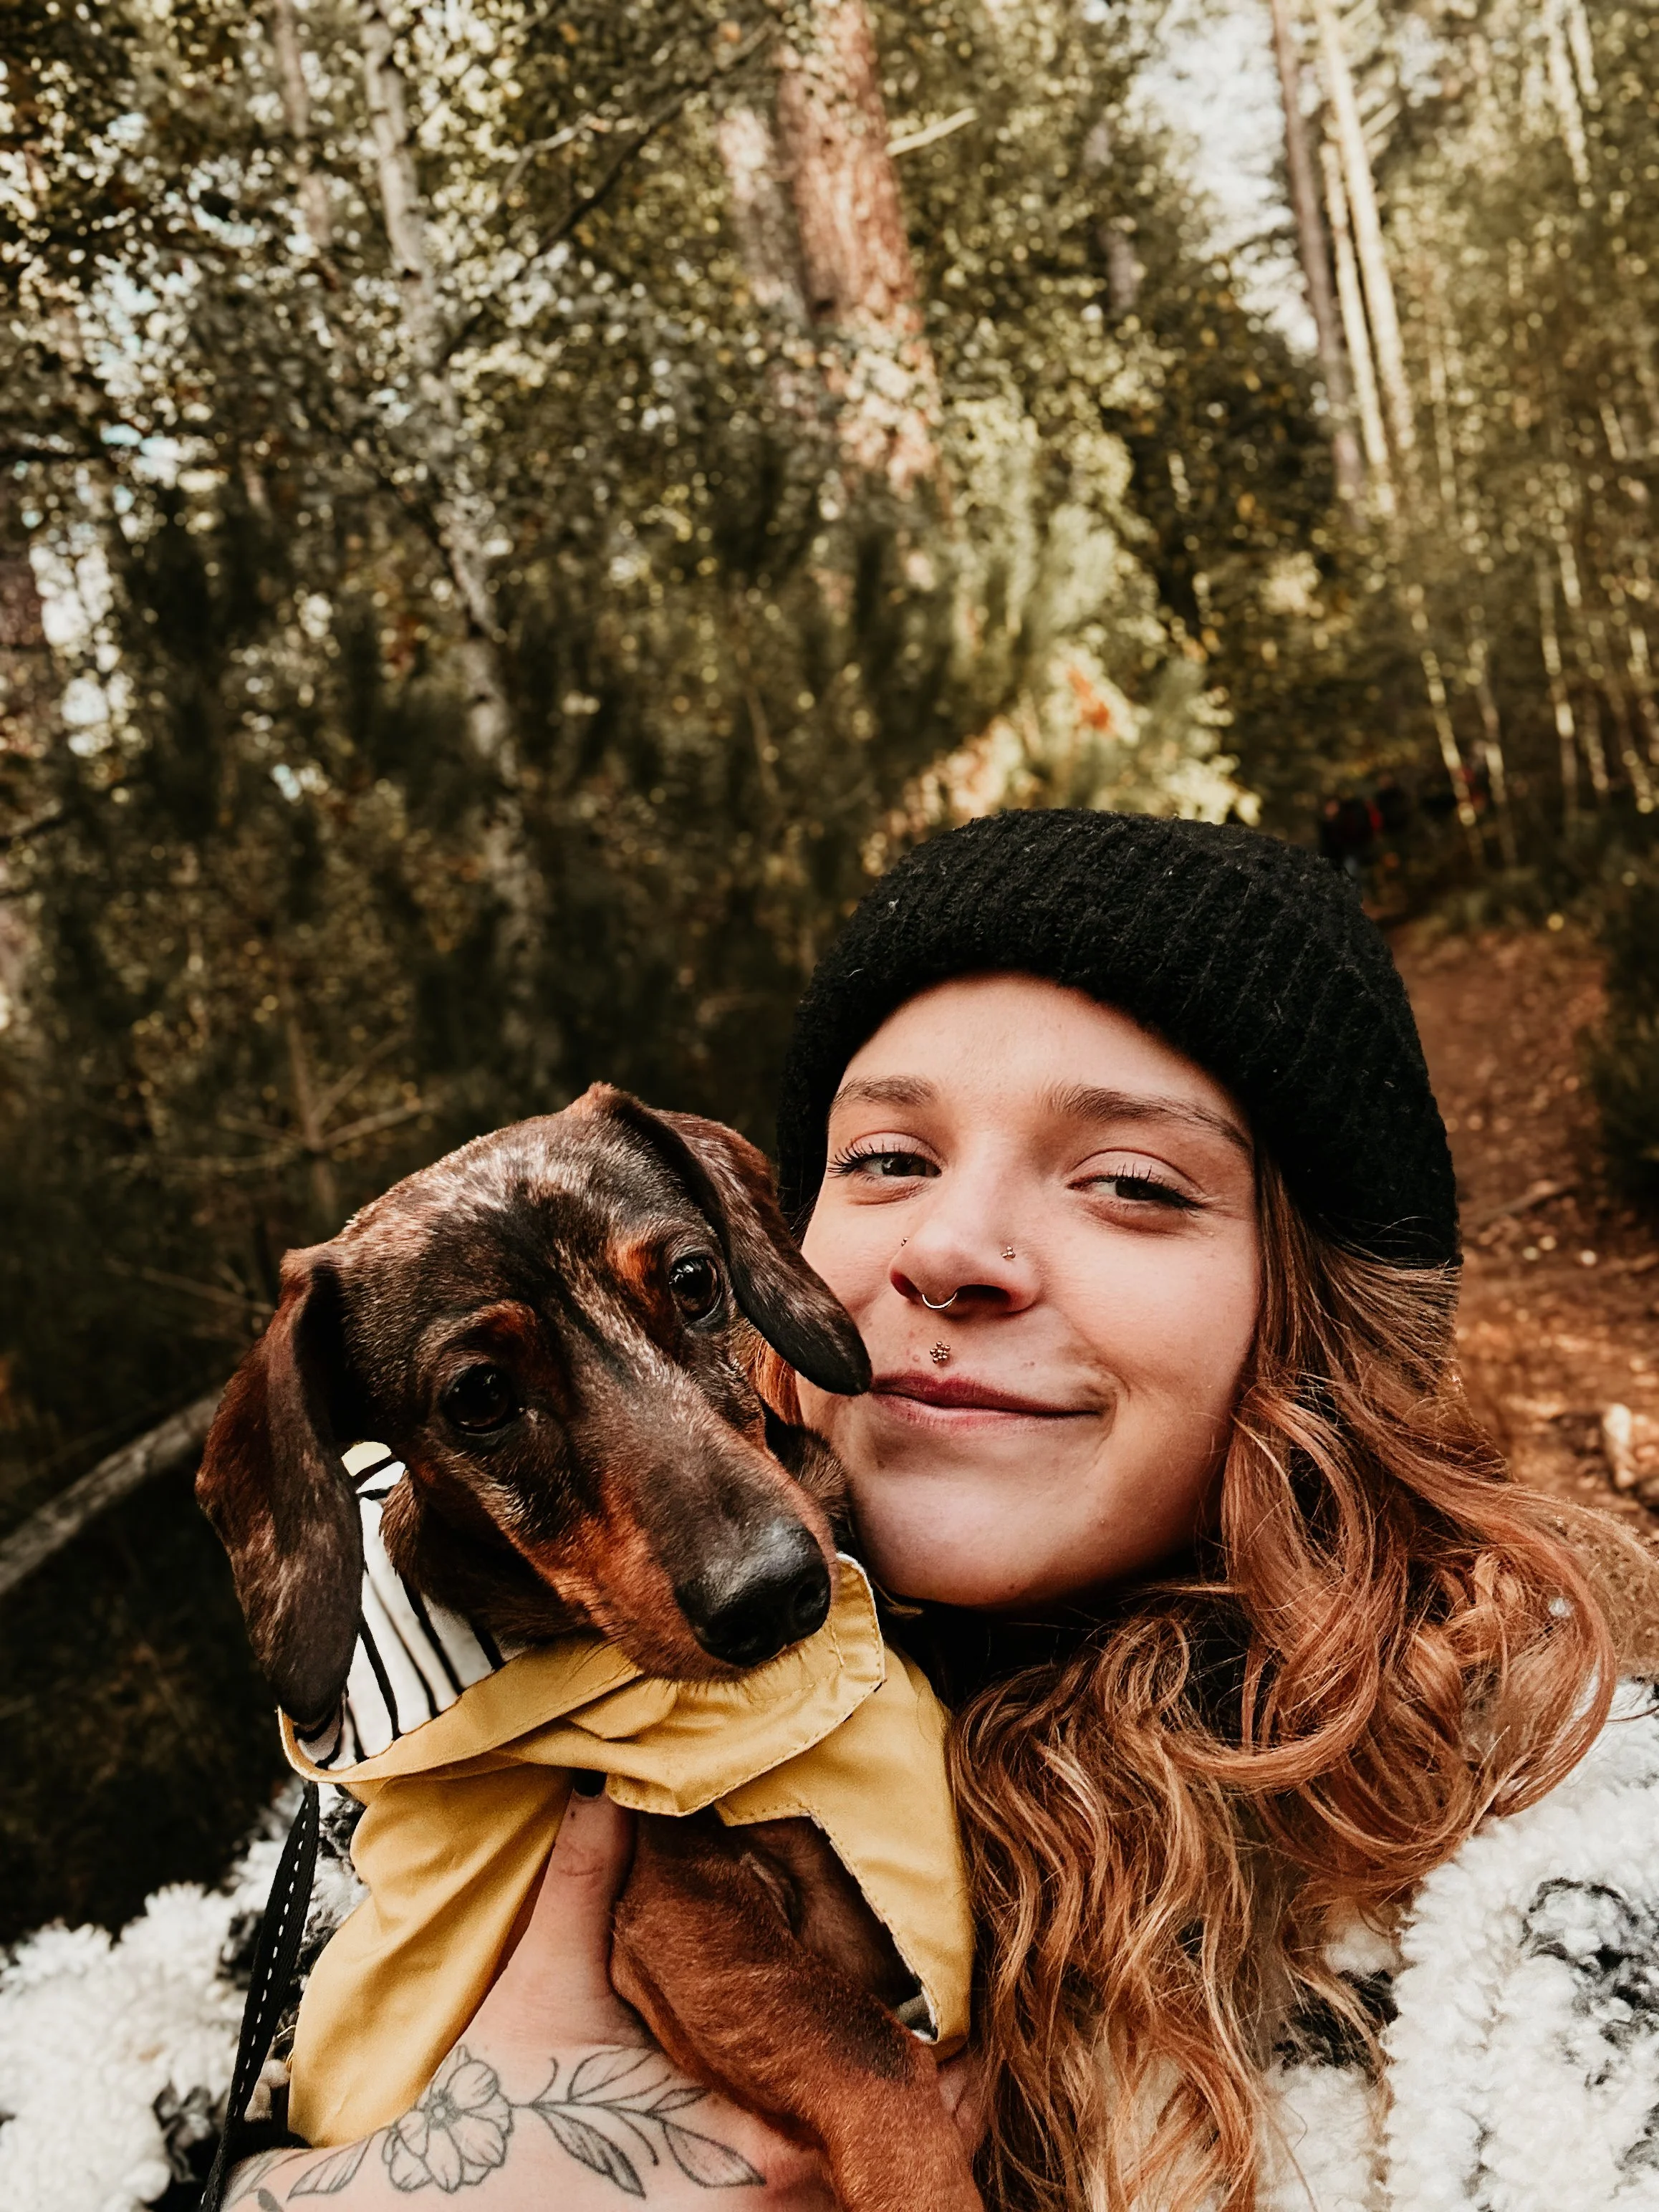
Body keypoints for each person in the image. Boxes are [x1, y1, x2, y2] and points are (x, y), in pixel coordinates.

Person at [226, 809, 1659, 2212]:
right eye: (889, 1160)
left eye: (1131, 1180)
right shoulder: (369, 1811)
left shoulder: (1567, 1889)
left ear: (1319, 1316)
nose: (950, 1247)